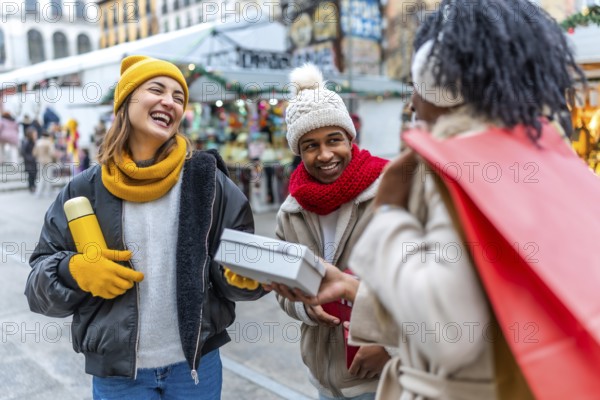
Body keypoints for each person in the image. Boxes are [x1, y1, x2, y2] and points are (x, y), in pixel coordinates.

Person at [270, 1, 595, 399]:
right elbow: (476, 302)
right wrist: (354, 291)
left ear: (440, 81)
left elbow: (446, 332)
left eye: (416, 86)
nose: (411, 104)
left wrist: (390, 212)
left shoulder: (458, 172)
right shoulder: (549, 157)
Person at [25, 55, 265, 400]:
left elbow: (238, 272)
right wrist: (72, 270)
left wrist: (241, 278)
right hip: (120, 375)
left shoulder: (208, 182)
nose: (170, 101)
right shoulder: (85, 190)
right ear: (126, 101)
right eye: (157, 89)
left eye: (179, 97)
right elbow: (38, 285)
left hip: (196, 368)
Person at [274, 63, 391, 400]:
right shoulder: (291, 211)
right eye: (310, 145)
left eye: (333, 140)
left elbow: (423, 285)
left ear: (350, 139)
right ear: (299, 151)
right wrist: (305, 308)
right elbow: (284, 290)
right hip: (325, 377)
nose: (325, 155)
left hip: (382, 376)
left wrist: (391, 346)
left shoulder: (389, 192)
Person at [32, 129, 56, 198]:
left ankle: (38, 192)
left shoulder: (38, 142)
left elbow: (34, 153)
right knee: (48, 177)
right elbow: (52, 153)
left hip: (40, 161)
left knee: (40, 177)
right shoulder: (49, 142)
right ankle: (48, 192)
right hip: (48, 161)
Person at [21, 127, 38, 193]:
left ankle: (33, 186)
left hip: (33, 161)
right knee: (31, 174)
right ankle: (31, 186)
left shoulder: (33, 141)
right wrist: (31, 158)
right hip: (29, 162)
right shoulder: (26, 142)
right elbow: (23, 152)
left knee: (34, 173)